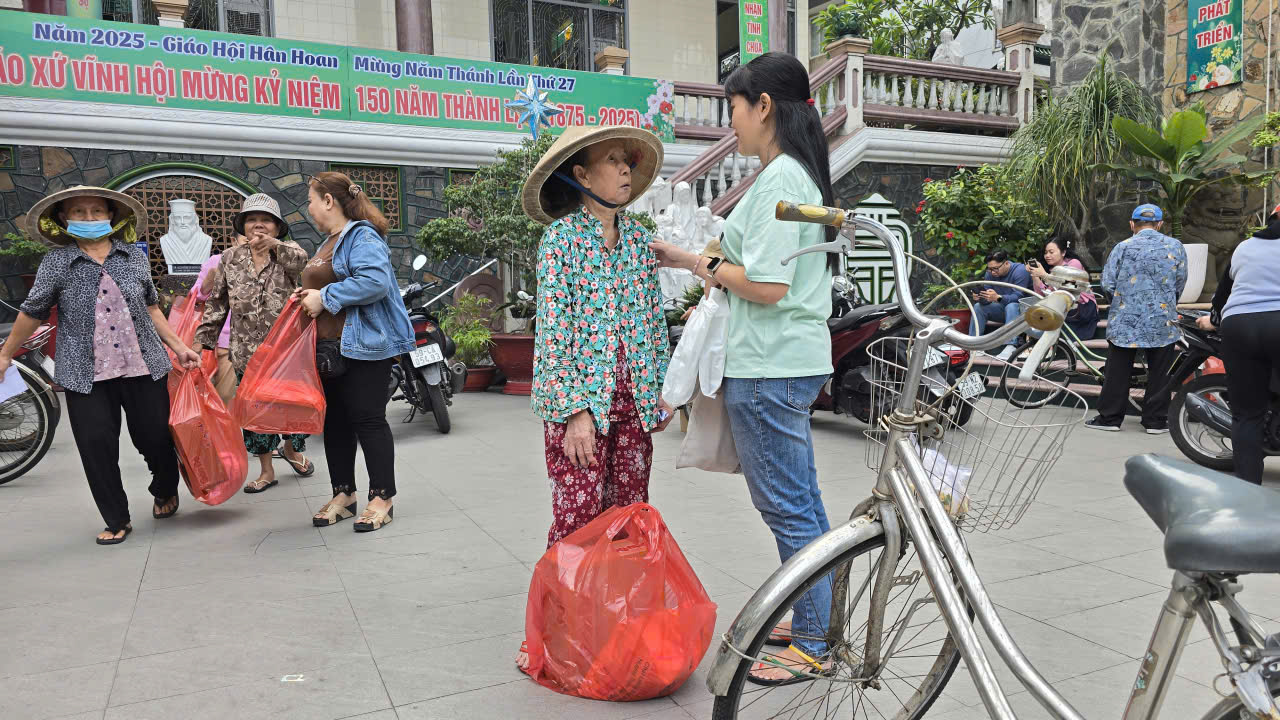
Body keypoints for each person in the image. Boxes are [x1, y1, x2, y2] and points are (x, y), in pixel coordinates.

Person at [650, 52, 835, 685]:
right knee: (799, 501)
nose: (731, 118)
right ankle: (815, 613)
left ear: (764, 107)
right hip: (786, 360)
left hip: (769, 363)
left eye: (735, 104)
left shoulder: (783, 180)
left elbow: (765, 285)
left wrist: (696, 263)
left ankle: (814, 640)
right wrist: (699, 257)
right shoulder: (789, 176)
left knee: (788, 506)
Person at [514, 124, 672, 671]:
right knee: (577, 520)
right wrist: (575, 411)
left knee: (628, 519)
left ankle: (614, 627)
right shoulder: (561, 241)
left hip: (632, 407)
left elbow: (654, 321)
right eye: (613, 160)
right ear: (581, 175)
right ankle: (551, 633)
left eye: (629, 161)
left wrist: (661, 392)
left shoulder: (637, 239)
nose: (626, 168)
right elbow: (554, 331)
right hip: (582, 407)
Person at [0, 186, 199, 545]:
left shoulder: (133, 258)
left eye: (96, 211)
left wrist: (180, 346)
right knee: (96, 447)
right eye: (79, 212)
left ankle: (164, 487)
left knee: (155, 439)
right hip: (84, 373)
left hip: (144, 366)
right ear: (64, 219)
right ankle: (116, 518)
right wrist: (5, 354)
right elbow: (33, 311)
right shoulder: (57, 262)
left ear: (111, 216)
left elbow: (152, 307)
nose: (89, 218)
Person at [294, 171, 414, 532]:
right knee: (336, 423)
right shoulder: (326, 244)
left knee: (367, 419)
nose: (309, 208)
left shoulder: (360, 236)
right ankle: (343, 495)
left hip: (364, 346)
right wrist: (305, 298)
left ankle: (382, 496)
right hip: (330, 349)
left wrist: (325, 297)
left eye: (312, 200)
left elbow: (375, 282)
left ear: (329, 201)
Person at [194, 194, 313, 493]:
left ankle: (291, 449)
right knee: (255, 411)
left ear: (277, 226)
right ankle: (266, 470)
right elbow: (217, 304)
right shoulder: (229, 259)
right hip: (246, 352)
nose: (258, 224)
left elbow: (303, 265)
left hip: (286, 350)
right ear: (243, 226)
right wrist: (201, 343)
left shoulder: (289, 252)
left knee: (291, 405)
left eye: (266, 220)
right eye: (251, 219)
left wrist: (275, 246)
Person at [1195, 203, 1280, 484]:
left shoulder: (1244, 247)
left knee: (1247, 416)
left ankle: (1246, 490)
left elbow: (1221, 297)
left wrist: (1215, 320)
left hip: (1239, 326)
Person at [1086, 204, 1187, 434]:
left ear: (1132, 224)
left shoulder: (1123, 247)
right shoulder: (1176, 247)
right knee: (1160, 372)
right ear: (1160, 224)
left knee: (1118, 371)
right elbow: (1180, 282)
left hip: (1125, 321)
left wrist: (1122, 301)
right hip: (1163, 321)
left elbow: (1107, 284)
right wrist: (1168, 302)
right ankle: (1155, 422)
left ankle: (1110, 419)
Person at [192, 234, 247, 407]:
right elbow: (197, 296)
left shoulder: (270, 263)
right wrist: (210, 280)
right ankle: (221, 432)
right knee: (221, 397)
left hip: (258, 341)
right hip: (224, 341)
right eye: (246, 238)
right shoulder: (217, 261)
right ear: (233, 240)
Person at [1028, 238, 1099, 340]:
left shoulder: (1074, 263)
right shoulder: (1050, 270)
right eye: (1045, 253)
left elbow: (1073, 286)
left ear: (1063, 252)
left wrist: (1045, 276)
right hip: (1062, 307)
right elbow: (1044, 294)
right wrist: (1034, 275)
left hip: (1082, 307)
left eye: (1051, 252)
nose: (1047, 256)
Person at [970, 249, 1034, 361]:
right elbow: (987, 299)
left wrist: (998, 297)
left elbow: (1019, 297)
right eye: (989, 269)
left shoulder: (1020, 271)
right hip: (1003, 310)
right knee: (978, 307)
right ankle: (974, 345)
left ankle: (1011, 346)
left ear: (1006, 263)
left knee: (1012, 306)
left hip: (1024, 311)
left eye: (995, 268)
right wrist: (980, 297)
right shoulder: (989, 273)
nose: (993, 272)